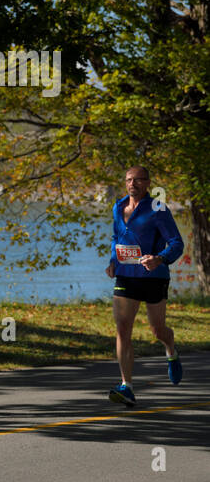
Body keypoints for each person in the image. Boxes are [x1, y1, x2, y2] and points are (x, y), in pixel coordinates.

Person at [106, 165, 184, 406]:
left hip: (154, 277)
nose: (133, 184)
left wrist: (158, 258)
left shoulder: (158, 208)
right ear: (125, 182)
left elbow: (176, 243)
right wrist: (112, 261)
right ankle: (126, 386)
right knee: (122, 328)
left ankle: (170, 349)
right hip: (126, 275)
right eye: (129, 179)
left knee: (157, 330)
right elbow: (116, 238)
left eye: (139, 180)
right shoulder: (118, 207)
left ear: (148, 183)